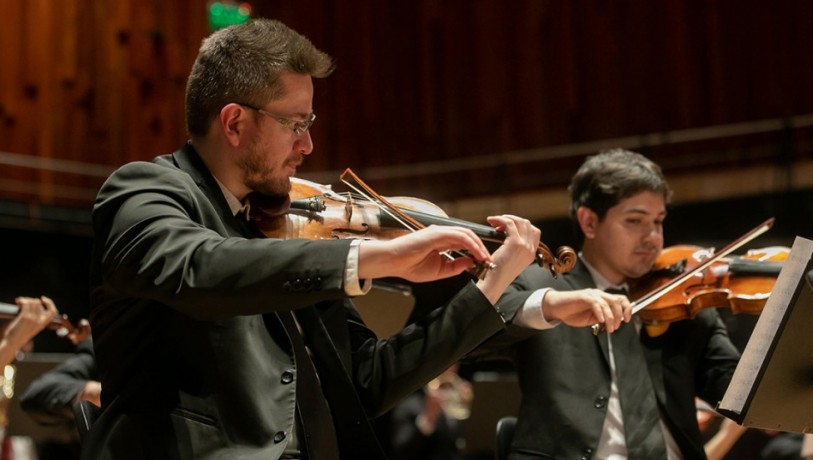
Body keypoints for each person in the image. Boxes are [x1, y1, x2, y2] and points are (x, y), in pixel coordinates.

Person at [84, 19, 627, 460]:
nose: (310, 143)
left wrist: (485, 293)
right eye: (296, 123)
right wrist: (375, 255)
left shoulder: (287, 228)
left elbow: (367, 381)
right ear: (233, 124)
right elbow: (197, 267)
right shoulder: (146, 191)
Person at [474, 149, 741, 459]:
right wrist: (553, 305)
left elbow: (734, 389)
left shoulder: (681, 293)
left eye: (658, 221)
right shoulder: (544, 286)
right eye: (635, 221)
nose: (653, 237)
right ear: (589, 222)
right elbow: (473, 337)